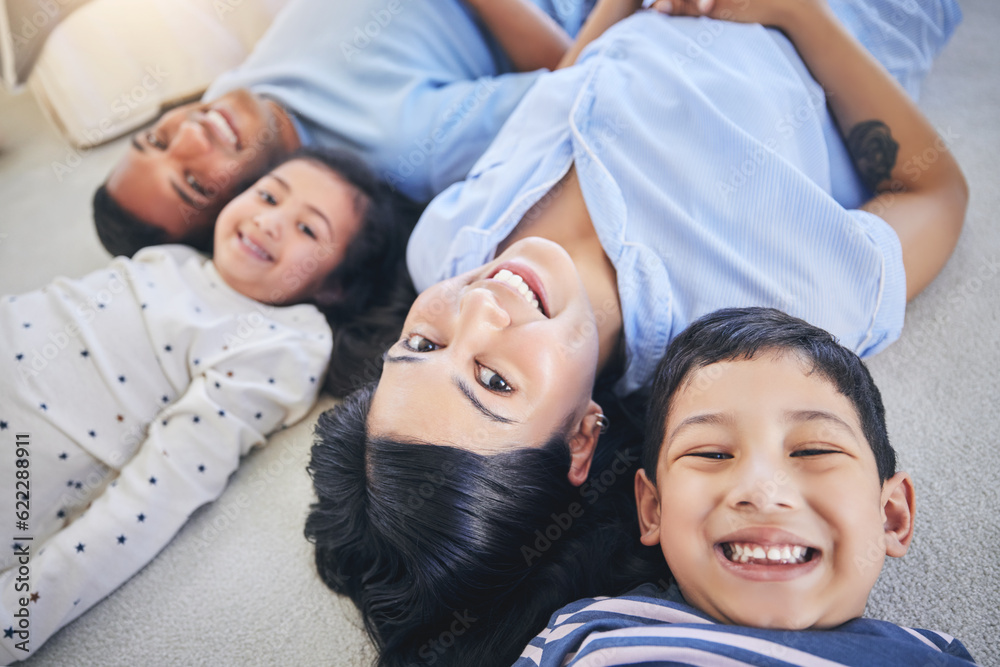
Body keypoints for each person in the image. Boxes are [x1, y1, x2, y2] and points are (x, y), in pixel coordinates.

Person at [305, 0, 967, 665]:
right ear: (583, 435)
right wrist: (794, 13)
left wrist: (617, 9)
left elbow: (563, 93)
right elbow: (933, 190)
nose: (479, 308)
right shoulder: (770, 315)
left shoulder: (444, 246)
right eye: (495, 380)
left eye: (422, 345)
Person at [0, 147, 406, 662]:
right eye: (267, 195)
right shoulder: (177, 257)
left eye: (309, 230)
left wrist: (20, 615)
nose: (268, 221)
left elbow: (154, 498)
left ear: (336, 285)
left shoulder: (285, 342)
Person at [515, 306, 977, 666]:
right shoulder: (587, 632)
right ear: (653, 510)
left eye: (813, 451)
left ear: (892, 515)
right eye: (712, 454)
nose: (761, 490)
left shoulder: (932, 654)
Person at [92, 0, 598, 257]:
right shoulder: (405, 148)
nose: (190, 136)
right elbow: (577, 79)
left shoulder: (228, 104)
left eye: (156, 139)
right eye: (195, 181)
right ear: (240, 207)